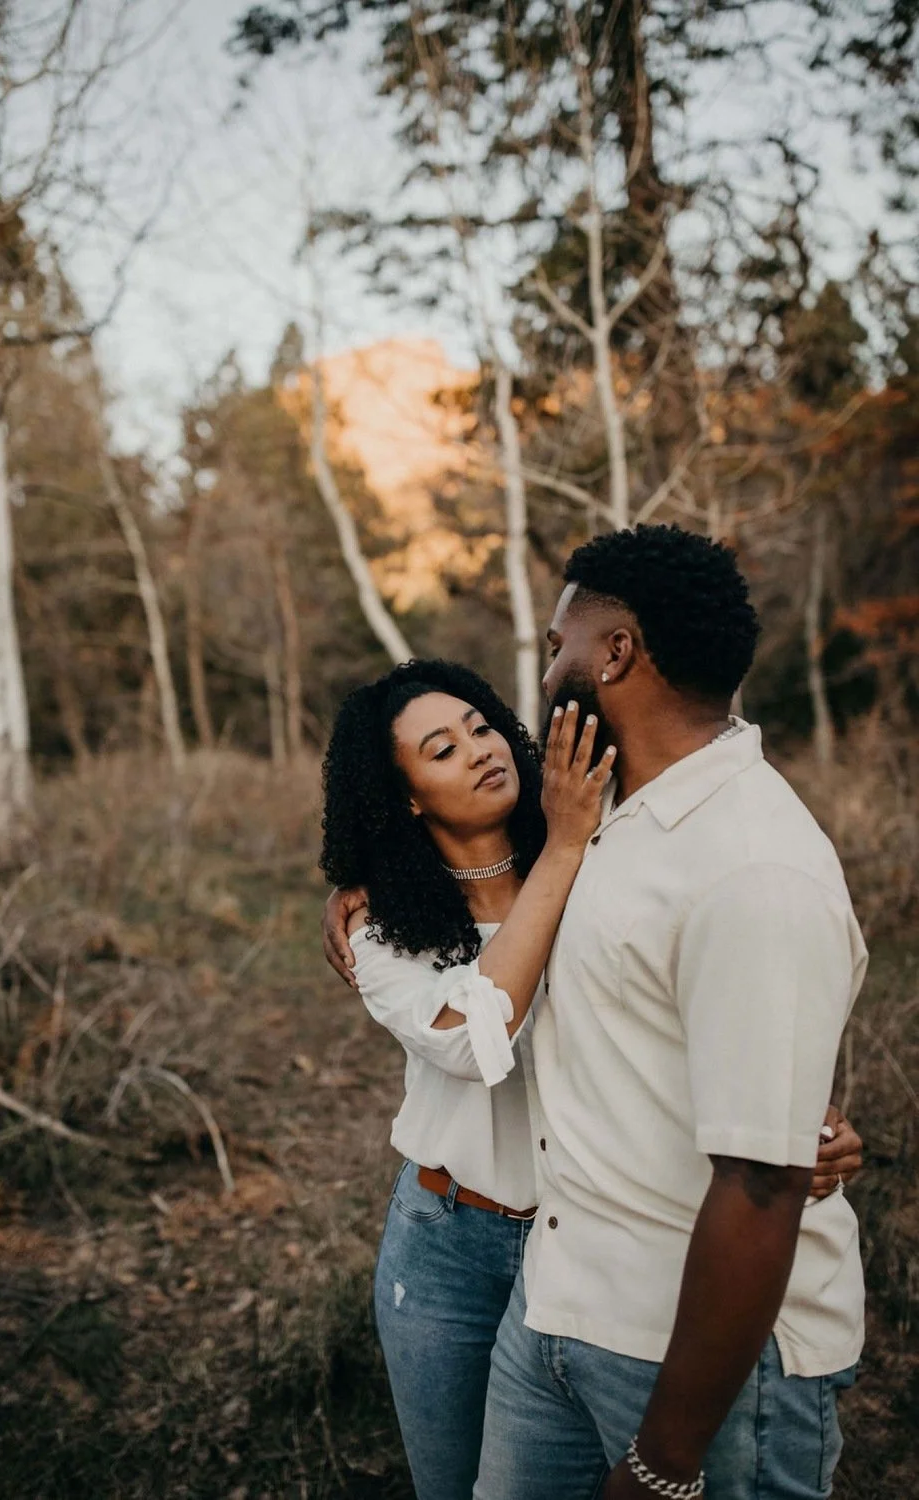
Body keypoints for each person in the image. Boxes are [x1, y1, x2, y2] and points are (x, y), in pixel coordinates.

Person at [319, 640, 862, 1499]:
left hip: (595, 1237)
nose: (483, 749)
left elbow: (687, 1002)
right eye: (443, 751)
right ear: (406, 799)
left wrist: (798, 1122)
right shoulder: (384, 926)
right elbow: (471, 1040)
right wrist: (564, 847)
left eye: (479, 725)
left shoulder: (602, 854)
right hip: (451, 1245)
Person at [467, 525, 868, 1500]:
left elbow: (764, 1185)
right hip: (554, 1307)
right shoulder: (597, 810)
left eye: (558, 641)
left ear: (614, 653)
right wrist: (356, 884)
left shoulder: (754, 869)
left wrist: (664, 1461)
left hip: (693, 1371)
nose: (547, 663)